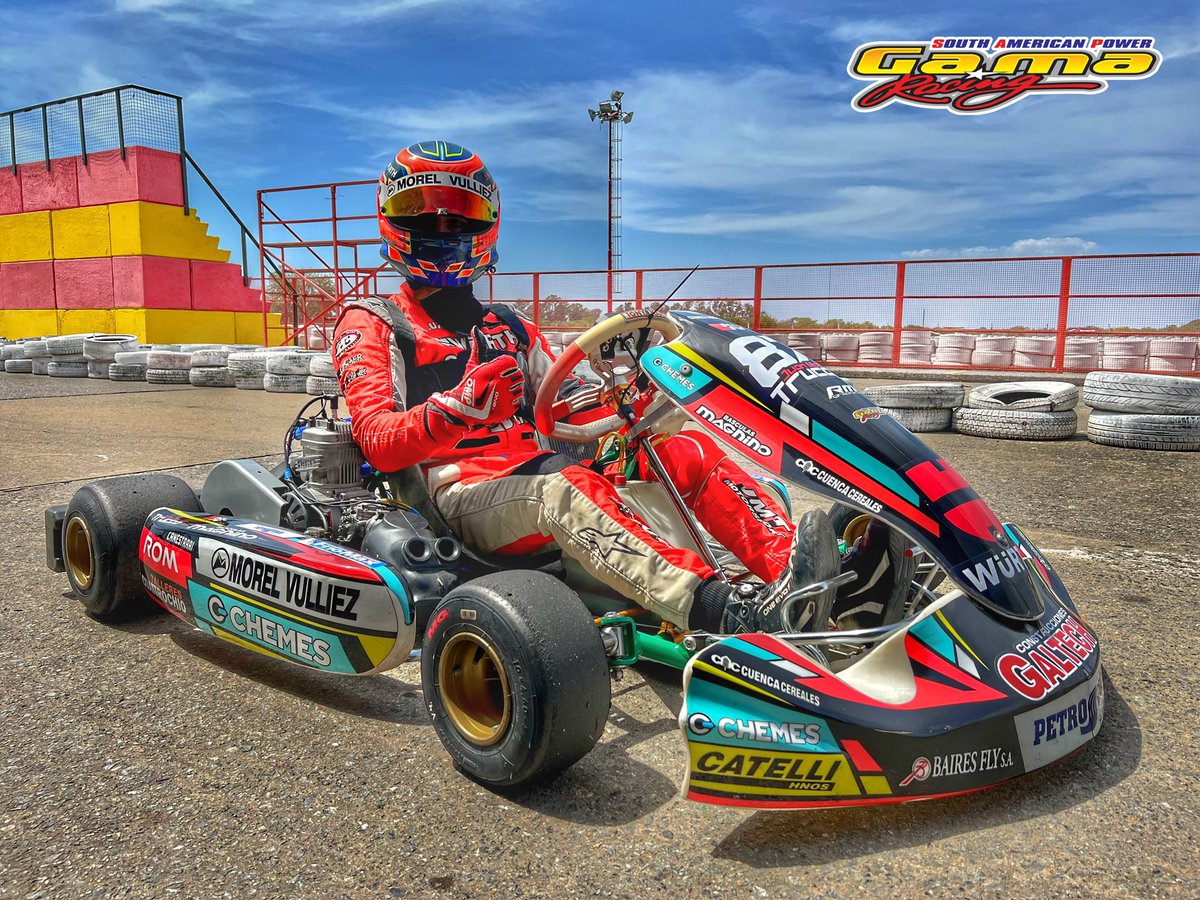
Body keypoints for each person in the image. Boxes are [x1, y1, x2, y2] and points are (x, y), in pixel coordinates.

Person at [332, 141, 823, 634]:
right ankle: (727, 611)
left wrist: (632, 401)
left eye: (459, 217)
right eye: (422, 215)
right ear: (390, 219)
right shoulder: (375, 323)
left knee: (682, 449)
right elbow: (379, 440)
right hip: (459, 495)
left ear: (488, 223)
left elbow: (565, 413)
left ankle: (802, 584)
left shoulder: (510, 326)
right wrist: (458, 408)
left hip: (538, 472)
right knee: (565, 486)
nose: (443, 229)